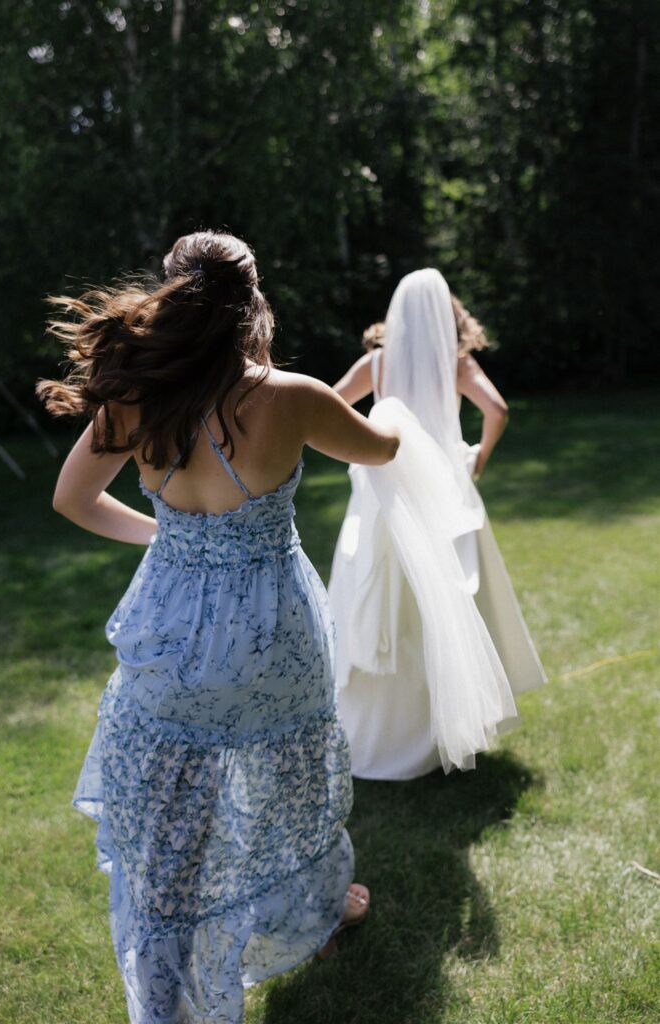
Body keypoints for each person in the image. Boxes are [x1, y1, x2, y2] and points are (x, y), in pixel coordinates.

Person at [37, 230, 399, 1024]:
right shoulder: (292, 394)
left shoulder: (137, 395)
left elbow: (72, 500)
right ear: (254, 302)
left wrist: (166, 535)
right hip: (273, 628)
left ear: (172, 297)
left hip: (170, 623)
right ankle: (316, 911)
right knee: (285, 784)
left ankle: (167, 988)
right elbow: (381, 448)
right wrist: (395, 402)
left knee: (169, 818)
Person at [329, 268, 546, 780]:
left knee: (385, 606)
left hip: (384, 499)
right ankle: (441, 727)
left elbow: (331, 408)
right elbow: (497, 409)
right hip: (445, 498)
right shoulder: (455, 363)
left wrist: (368, 454)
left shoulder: (377, 364)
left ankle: (379, 731)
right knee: (448, 610)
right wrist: (477, 460)